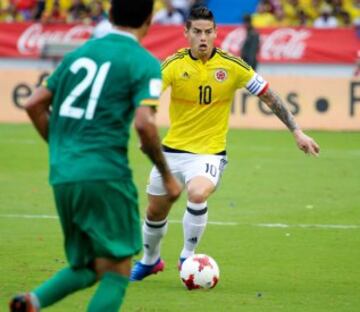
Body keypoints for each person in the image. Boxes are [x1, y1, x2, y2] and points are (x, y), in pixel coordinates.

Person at [9, 0, 181, 311]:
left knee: (90, 264)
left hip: (63, 174)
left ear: (111, 14)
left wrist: (62, 146)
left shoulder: (78, 54)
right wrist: (168, 177)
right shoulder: (144, 62)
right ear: (149, 20)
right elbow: (145, 123)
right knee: (118, 271)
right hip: (105, 173)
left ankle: (32, 301)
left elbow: (34, 104)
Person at [130, 6, 320, 281]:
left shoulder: (233, 66)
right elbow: (148, 98)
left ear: (217, 33)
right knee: (155, 211)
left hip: (208, 153)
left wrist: (297, 131)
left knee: (197, 193)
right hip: (171, 152)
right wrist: (144, 131)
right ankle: (150, 261)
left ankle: (188, 258)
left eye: (208, 32)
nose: (203, 38)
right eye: (197, 32)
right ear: (186, 33)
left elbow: (269, 96)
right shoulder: (173, 64)